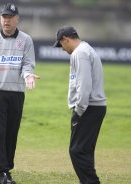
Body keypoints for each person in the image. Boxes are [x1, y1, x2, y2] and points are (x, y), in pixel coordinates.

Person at [0, 3, 40, 184]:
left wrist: (28, 75)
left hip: (17, 93)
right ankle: (1, 172)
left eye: (10, 17)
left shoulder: (26, 40)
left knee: (11, 132)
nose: (7, 21)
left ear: (17, 19)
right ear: (0, 19)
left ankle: (7, 170)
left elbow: (27, 64)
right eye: (4, 17)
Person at [53, 26, 107, 184]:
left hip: (88, 107)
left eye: (61, 45)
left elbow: (84, 85)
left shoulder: (80, 53)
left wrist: (78, 110)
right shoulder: (86, 49)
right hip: (94, 107)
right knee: (85, 151)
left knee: (77, 151)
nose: (62, 49)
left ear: (66, 39)